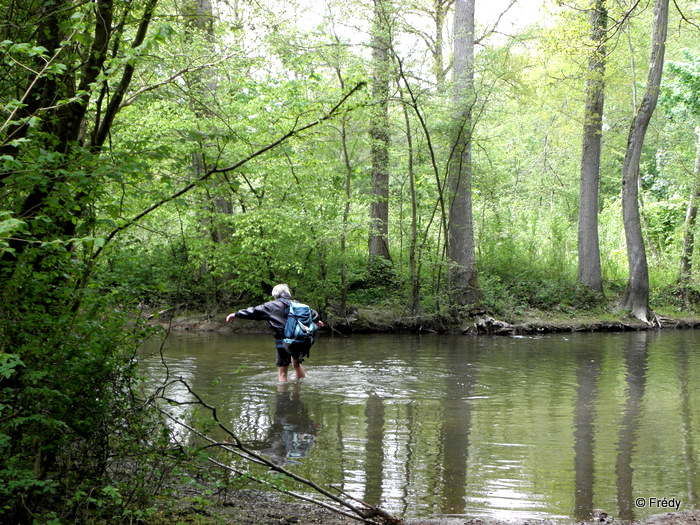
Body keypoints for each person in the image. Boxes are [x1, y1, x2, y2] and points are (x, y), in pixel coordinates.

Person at [226, 284, 324, 382]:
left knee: (282, 374)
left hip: (283, 343)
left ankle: (282, 395)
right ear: (288, 294)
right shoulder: (298, 305)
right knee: (296, 364)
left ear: (275, 295)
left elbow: (254, 312)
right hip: (300, 340)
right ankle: (299, 389)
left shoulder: (272, 306)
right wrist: (317, 321)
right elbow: (313, 314)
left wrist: (236, 314)